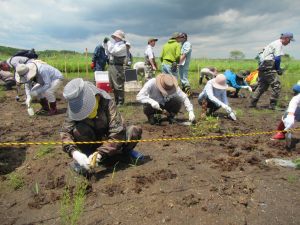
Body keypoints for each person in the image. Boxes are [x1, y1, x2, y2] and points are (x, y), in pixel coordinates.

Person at [60, 78, 142, 174]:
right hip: (91, 143)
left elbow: (117, 132)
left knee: (133, 131)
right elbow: (65, 132)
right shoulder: (73, 108)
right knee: (78, 130)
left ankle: (123, 154)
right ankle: (87, 159)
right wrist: (75, 153)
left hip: (111, 142)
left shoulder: (107, 102)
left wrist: (100, 153)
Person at [250, 32, 295, 110]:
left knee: (262, 86)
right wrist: (278, 69)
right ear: (286, 38)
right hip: (269, 65)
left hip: (263, 65)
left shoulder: (273, 43)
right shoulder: (278, 44)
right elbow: (277, 58)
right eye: (289, 40)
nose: (289, 42)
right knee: (276, 85)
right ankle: (272, 105)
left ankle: (252, 103)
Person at [107, 30, 127, 106]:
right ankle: (116, 100)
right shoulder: (115, 44)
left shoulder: (123, 46)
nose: (115, 38)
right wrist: (106, 44)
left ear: (120, 37)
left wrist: (108, 43)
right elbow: (108, 51)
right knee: (112, 84)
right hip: (112, 65)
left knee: (118, 84)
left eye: (116, 36)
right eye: (114, 36)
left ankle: (121, 102)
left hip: (118, 66)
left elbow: (114, 51)